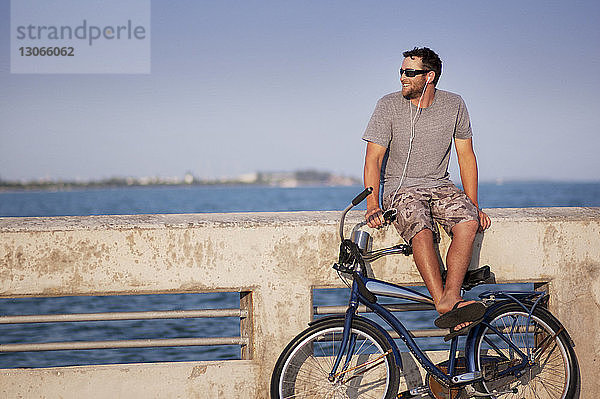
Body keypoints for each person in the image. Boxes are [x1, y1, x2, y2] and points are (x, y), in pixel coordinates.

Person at [362, 47, 491, 340]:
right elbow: (373, 159)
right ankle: (445, 303)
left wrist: (474, 204)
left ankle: (450, 297)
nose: (402, 78)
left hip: (440, 185)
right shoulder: (388, 106)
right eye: (401, 72)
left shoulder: (454, 104)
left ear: (429, 76)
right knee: (421, 229)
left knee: (469, 222)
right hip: (400, 189)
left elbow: (466, 156)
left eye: (410, 73)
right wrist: (372, 203)